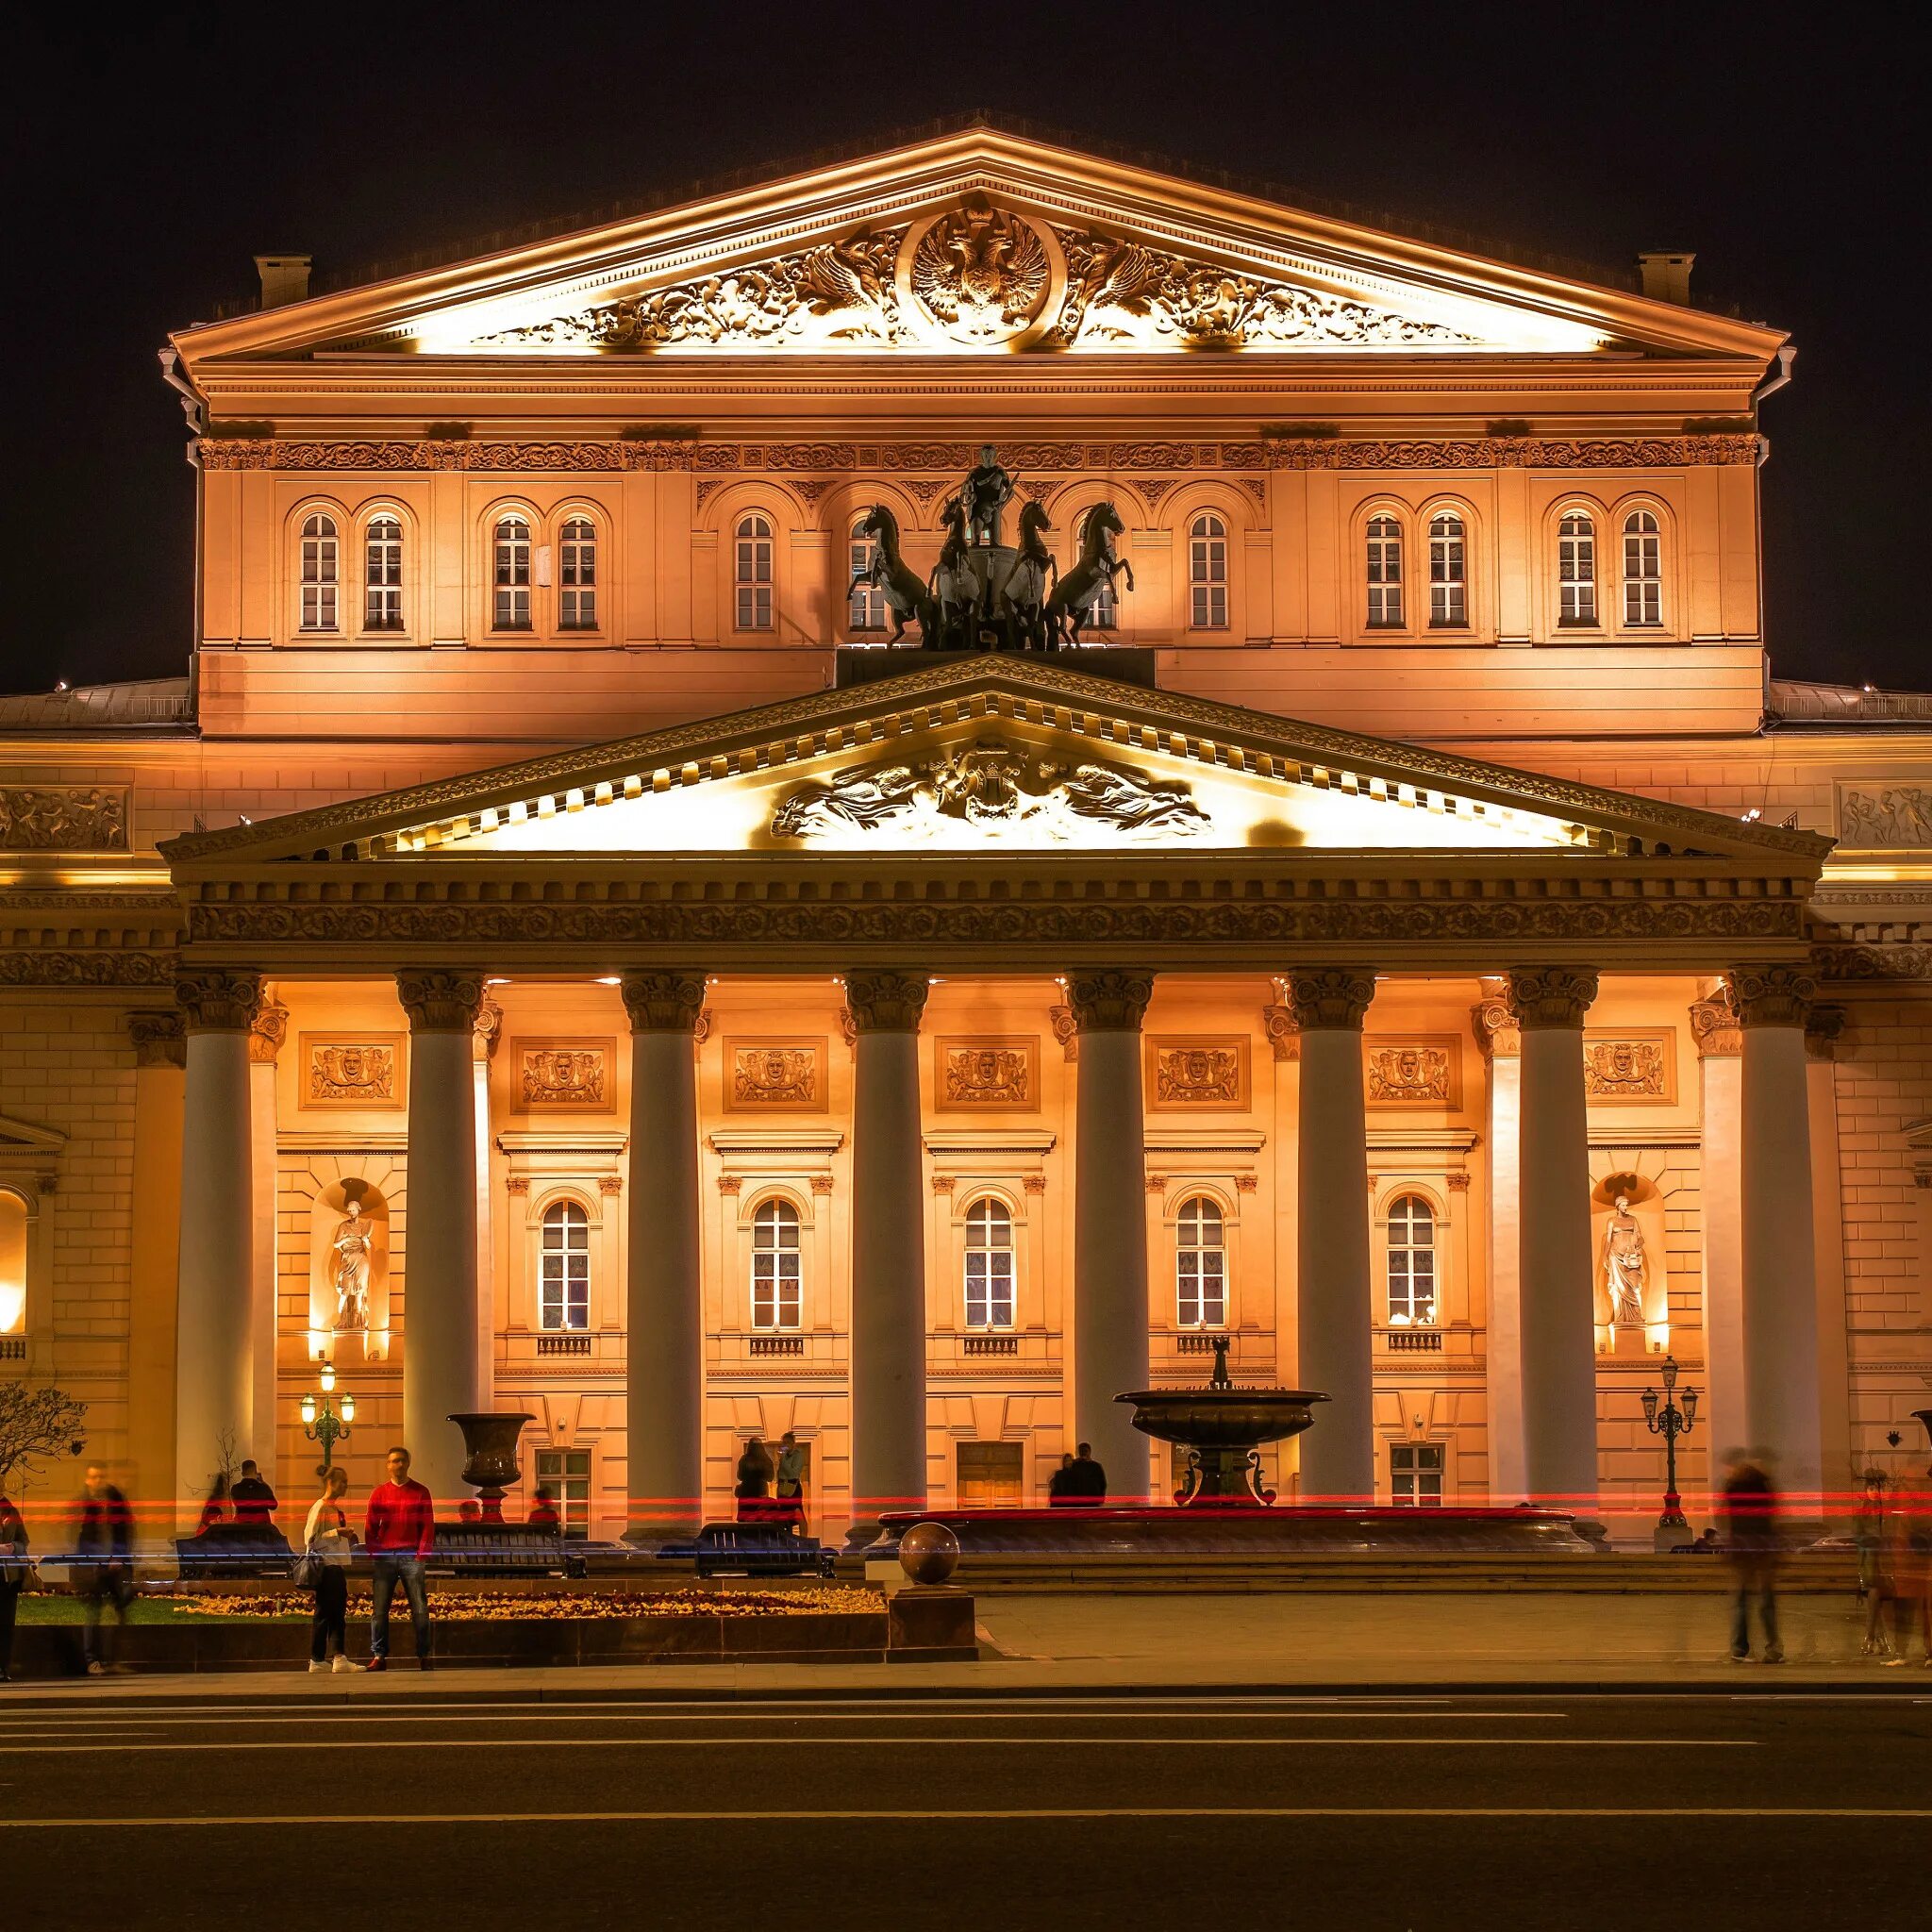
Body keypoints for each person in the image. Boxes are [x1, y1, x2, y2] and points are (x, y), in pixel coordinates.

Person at [363, 1446, 435, 1671]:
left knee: (420, 1608)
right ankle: (379, 1655)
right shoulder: (379, 1493)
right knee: (380, 1609)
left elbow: (427, 1526)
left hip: (411, 1555)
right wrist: (375, 1551)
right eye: (394, 1461)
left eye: (402, 1461)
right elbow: (370, 1525)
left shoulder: (420, 1492)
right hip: (385, 1557)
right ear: (388, 1465)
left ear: (408, 1463)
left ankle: (424, 1654)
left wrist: (422, 1554)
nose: (399, 1465)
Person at [1722, 1449, 1783, 1664]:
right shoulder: (1763, 1485)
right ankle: (1774, 1648)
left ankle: (1739, 1648)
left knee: (1741, 1601)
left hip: (1741, 1550)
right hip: (1762, 1549)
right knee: (1766, 1601)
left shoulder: (1733, 1488)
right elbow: (1772, 1519)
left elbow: (1726, 1520)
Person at [75, 1463, 135, 1675]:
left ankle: (113, 1660)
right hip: (93, 1568)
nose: (98, 1481)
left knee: (120, 1612)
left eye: (101, 1476)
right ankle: (93, 1660)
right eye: (94, 1477)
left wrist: (121, 1558)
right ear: (87, 1480)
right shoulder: (83, 1504)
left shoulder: (115, 1499)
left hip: (115, 1567)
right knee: (94, 1613)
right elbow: (80, 1537)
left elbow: (125, 1530)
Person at [302, 1466, 356, 1674]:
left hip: (335, 1564)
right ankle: (334, 1657)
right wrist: (337, 1532)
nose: (346, 1485)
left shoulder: (333, 1509)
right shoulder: (320, 1507)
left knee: (331, 1612)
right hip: (327, 1567)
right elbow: (310, 1540)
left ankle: (322, 1658)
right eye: (342, 1481)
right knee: (330, 1612)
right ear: (330, 1482)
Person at [0, 1491, 28, 1683]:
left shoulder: (11, 1511)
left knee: (5, 1624)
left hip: (8, 1578)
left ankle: (3, 1667)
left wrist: (12, 1548)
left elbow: (24, 1540)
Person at [230, 1459, 278, 1534]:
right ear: (256, 1472)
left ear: (242, 1473)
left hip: (242, 1529)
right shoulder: (263, 1488)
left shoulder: (236, 1488)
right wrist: (263, 1483)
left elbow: (236, 1502)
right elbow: (274, 1506)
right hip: (262, 1530)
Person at [734, 1438, 774, 1522]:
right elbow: (771, 1477)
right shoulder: (766, 1460)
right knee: (759, 1519)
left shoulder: (744, 1459)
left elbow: (739, 1476)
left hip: (745, 1492)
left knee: (744, 1520)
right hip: (761, 1492)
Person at [774, 1432, 808, 1530]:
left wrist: (783, 1458)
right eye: (783, 1443)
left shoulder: (798, 1455)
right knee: (784, 1514)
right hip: (783, 1487)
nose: (785, 1445)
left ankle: (804, 1539)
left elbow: (792, 1473)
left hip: (792, 1487)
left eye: (788, 1442)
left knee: (797, 1512)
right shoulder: (784, 1456)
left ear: (793, 1443)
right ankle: (788, 1537)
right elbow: (780, 1473)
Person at [1066, 1442, 1108, 1507]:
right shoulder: (1074, 1465)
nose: (1083, 1453)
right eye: (1081, 1451)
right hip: (1078, 1501)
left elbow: (1102, 1484)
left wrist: (1100, 1499)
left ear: (1089, 1452)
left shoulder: (1096, 1466)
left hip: (1092, 1501)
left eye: (1085, 1451)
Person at [194, 1472, 230, 1536]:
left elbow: (203, 1517)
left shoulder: (211, 1499)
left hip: (205, 1532)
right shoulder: (224, 1502)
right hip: (213, 1533)